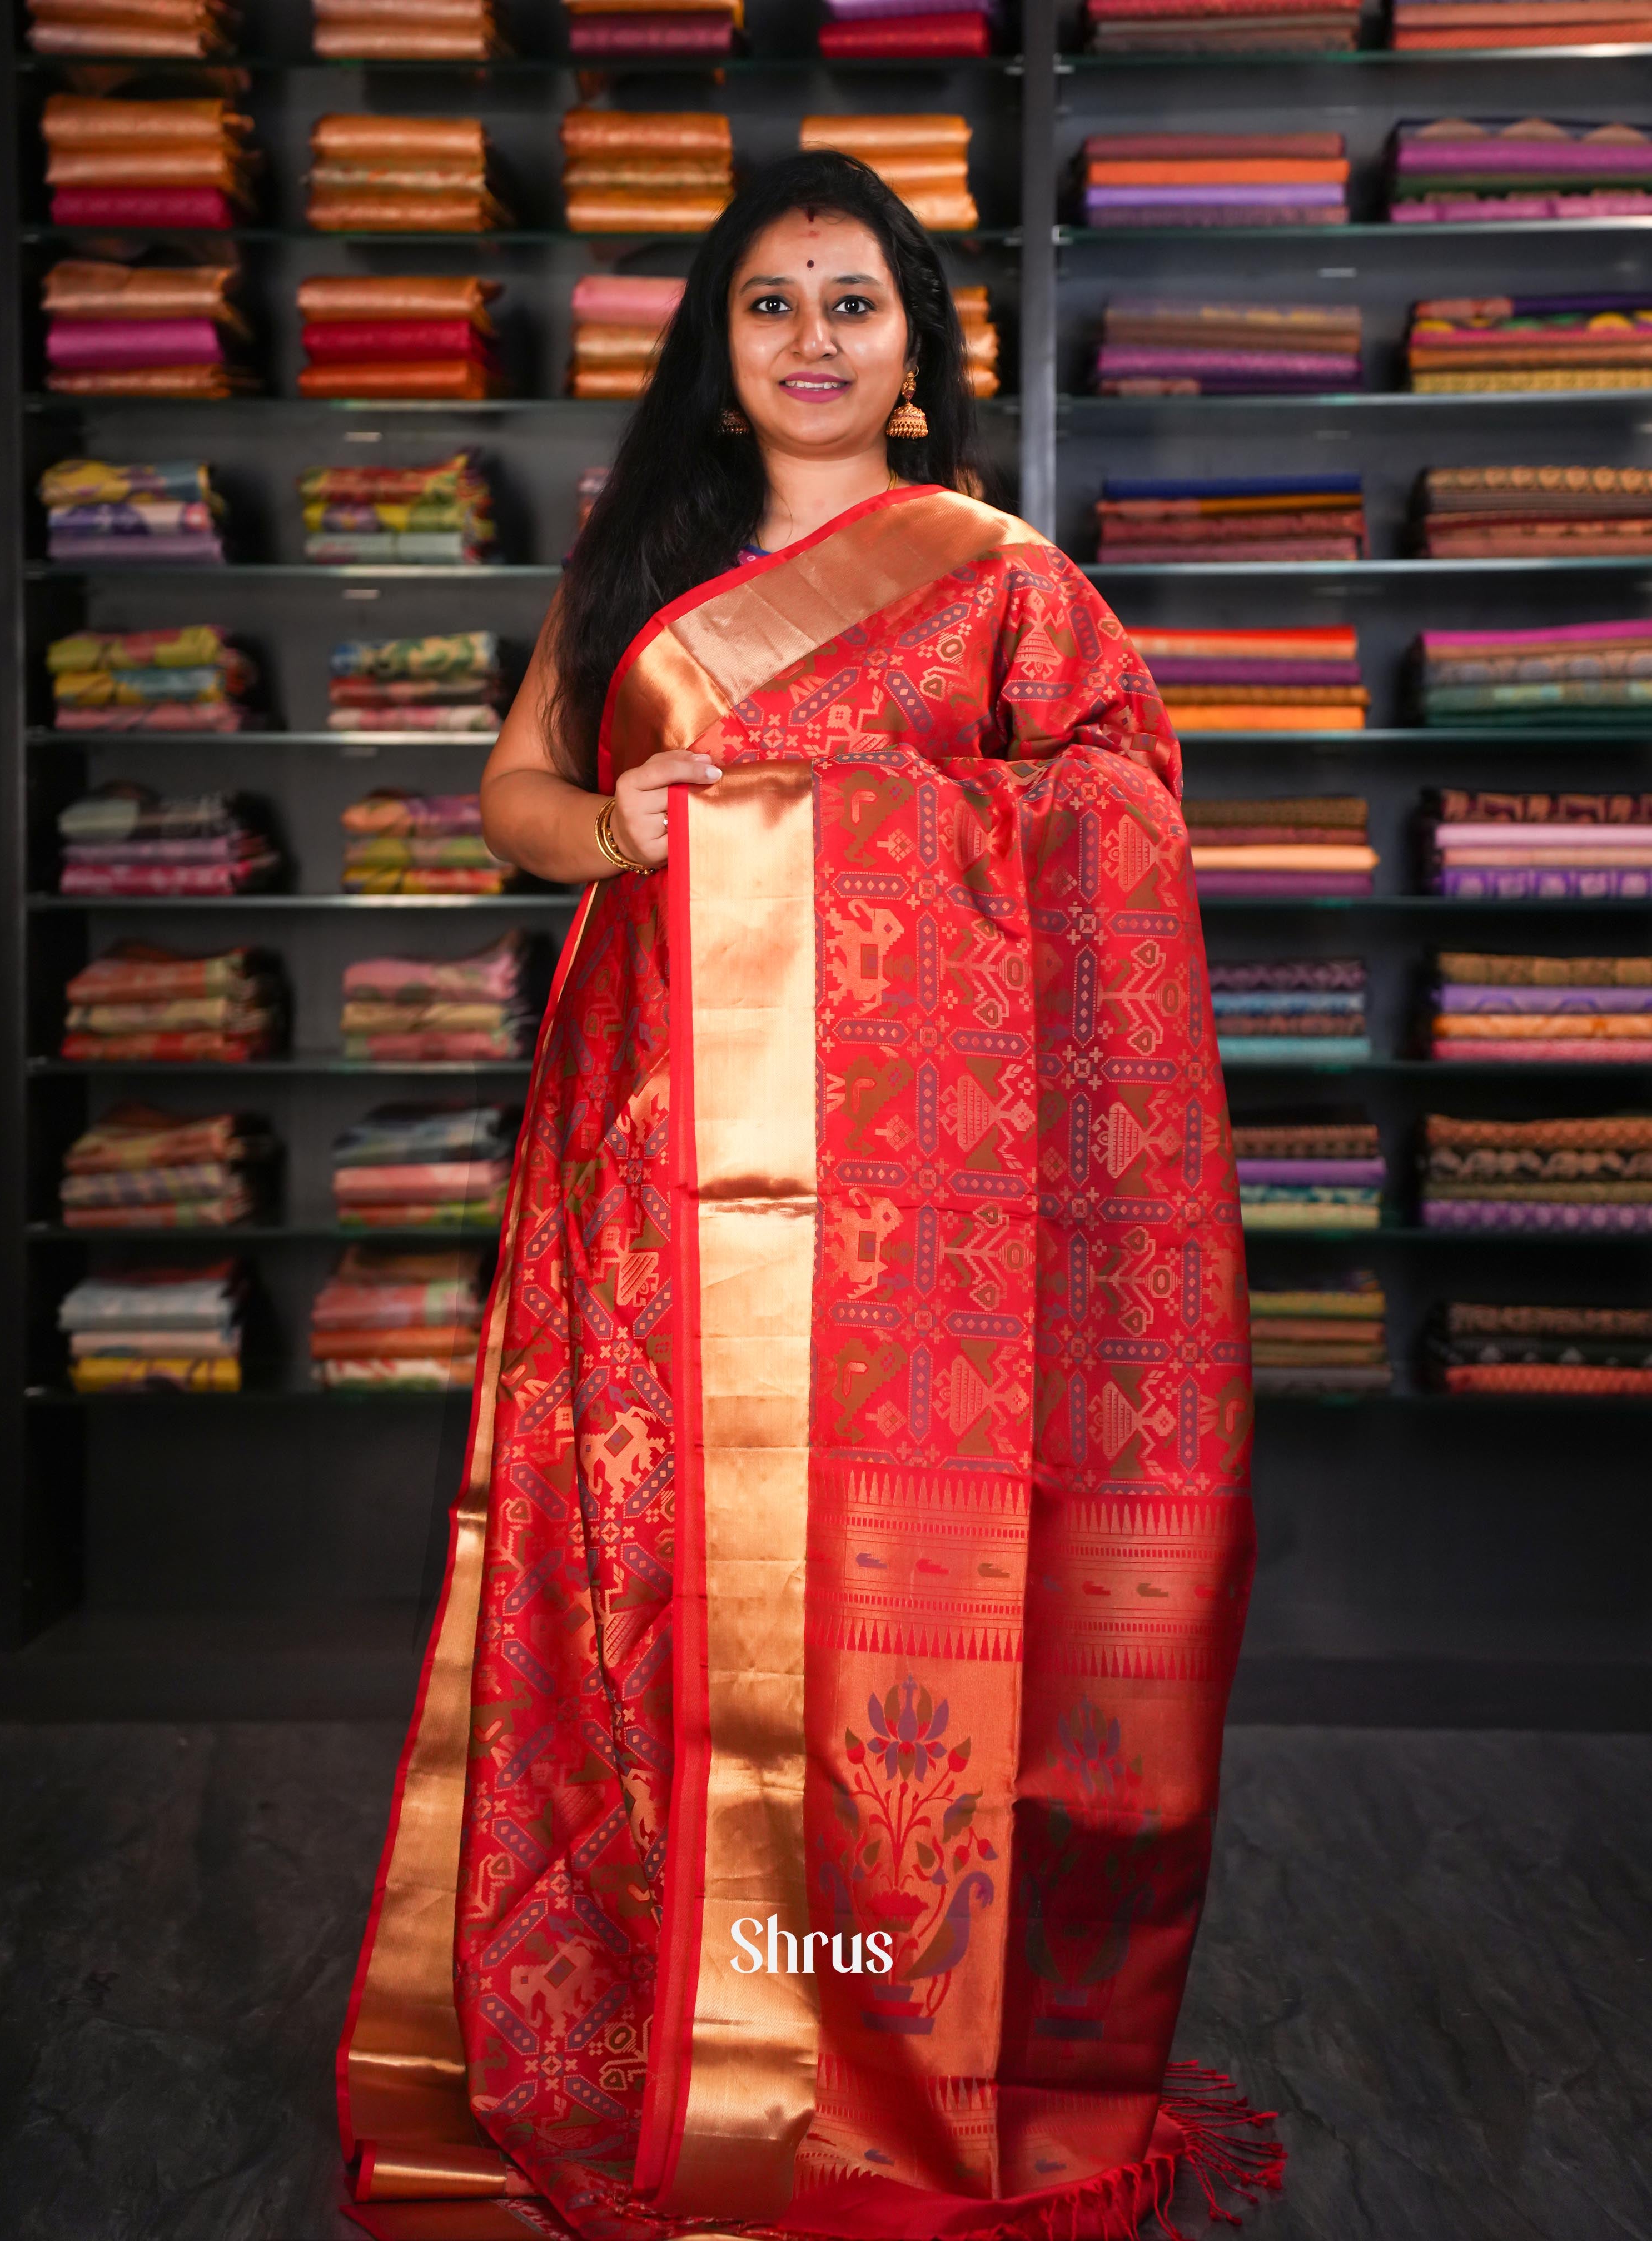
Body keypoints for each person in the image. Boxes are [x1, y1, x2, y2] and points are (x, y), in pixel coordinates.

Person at [337, 150, 1280, 2241]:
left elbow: (1119, 801)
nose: (813, 341)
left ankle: (869, 2047)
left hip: (917, 1232)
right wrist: (618, 821)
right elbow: (513, 796)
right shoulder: (644, 557)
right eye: (770, 304)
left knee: (883, 1619)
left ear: (915, 353)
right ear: (720, 345)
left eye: (854, 303)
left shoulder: (1003, 576)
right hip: (658, 1160)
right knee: (653, 1575)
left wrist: (862, 820)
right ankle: (672, 2023)